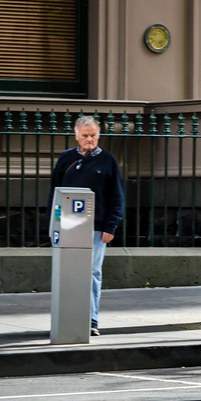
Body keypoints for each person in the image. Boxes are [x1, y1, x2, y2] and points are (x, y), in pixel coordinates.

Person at [49, 115, 125, 336]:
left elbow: (117, 197)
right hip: (68, 226)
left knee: (92, 273)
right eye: (85, 136)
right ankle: (69, 317)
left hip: (97, 227)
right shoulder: (66, 159)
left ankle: (91, 319)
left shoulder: (108, 161)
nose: (89, 139)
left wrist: (111, 227)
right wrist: (53, 224)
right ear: (76, 136)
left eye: (93, 135)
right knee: (68, 273)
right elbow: (54, 193)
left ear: (98, 135)